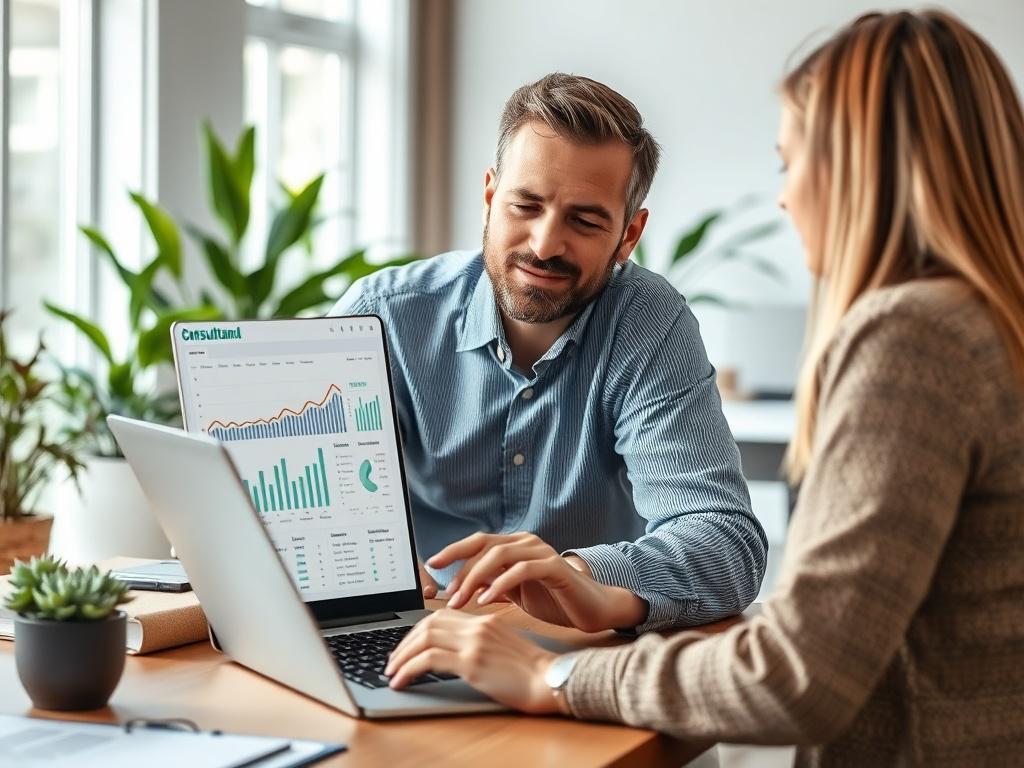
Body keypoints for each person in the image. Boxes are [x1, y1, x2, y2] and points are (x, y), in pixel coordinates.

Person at [384, 10, 1024, 764]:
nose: (785, 198)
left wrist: (557, 670)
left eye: (790, 163)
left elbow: (798, 668)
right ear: (490, 195)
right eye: (526, 204)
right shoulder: (981, 322)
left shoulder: (913, 339)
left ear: (858, 166)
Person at [330, 73, 767, 633]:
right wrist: (355, 565)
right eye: (525, 206)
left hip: (577, 651)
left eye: (584, 221)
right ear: (490, 197)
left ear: (629, 235)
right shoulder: (382, 313)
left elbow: (726, 544)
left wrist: (577, 575)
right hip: (416, 632)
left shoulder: (649, 325)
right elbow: (286, 501)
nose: (544, 245)